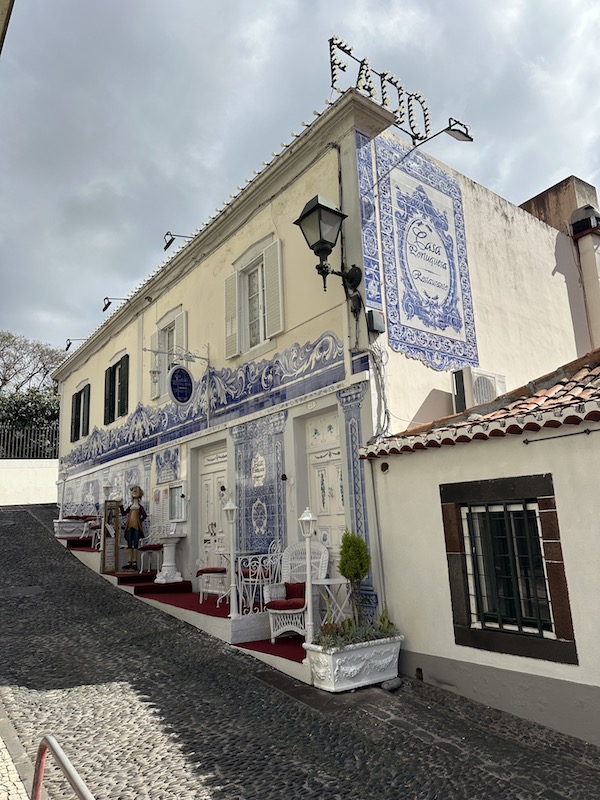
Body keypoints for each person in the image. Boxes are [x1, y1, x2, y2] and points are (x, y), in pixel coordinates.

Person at [120, 485, 147, 570]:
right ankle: (129, 562)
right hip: (129, 527)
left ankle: (134, 562)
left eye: (136, 491)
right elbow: (124, 513)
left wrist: (139, 521)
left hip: (136, 528)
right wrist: (120, 505)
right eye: (133, 491)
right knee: (129, 544)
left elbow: (145, 516)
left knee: (135, 544)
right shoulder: (131, 507)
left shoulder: (140, 507)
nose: (134, 492)